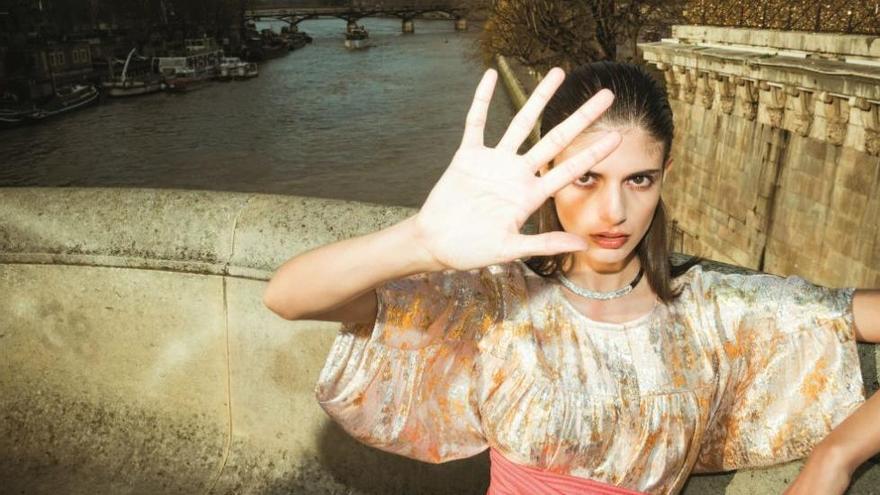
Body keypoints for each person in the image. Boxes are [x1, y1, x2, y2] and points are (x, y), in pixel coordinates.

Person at [263, 62, 880, 495]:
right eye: (586, 178)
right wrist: (419, 241)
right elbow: (286, 296)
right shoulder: (495, 298)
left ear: (665, 173)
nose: (614, 212)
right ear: (548, 173)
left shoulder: (714, 309)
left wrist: (836, 456)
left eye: (639, 179)